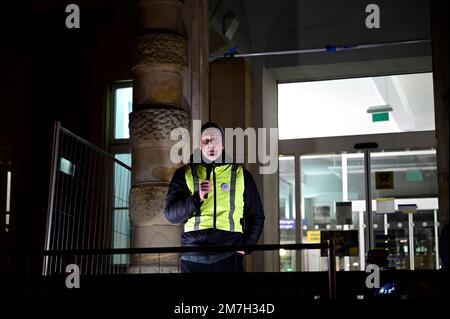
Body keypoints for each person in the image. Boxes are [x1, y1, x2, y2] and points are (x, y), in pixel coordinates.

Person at [164, 122, 265, 272]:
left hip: (229, 252)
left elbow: (256, 214)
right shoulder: (184, 173)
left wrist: (247, 245)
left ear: (223, 144)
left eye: (215, 139)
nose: (211, 144)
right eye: (206, 140)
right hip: (193, 254)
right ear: (200, 144)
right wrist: (197, 198)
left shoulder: (240, 174)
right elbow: (171, 214)